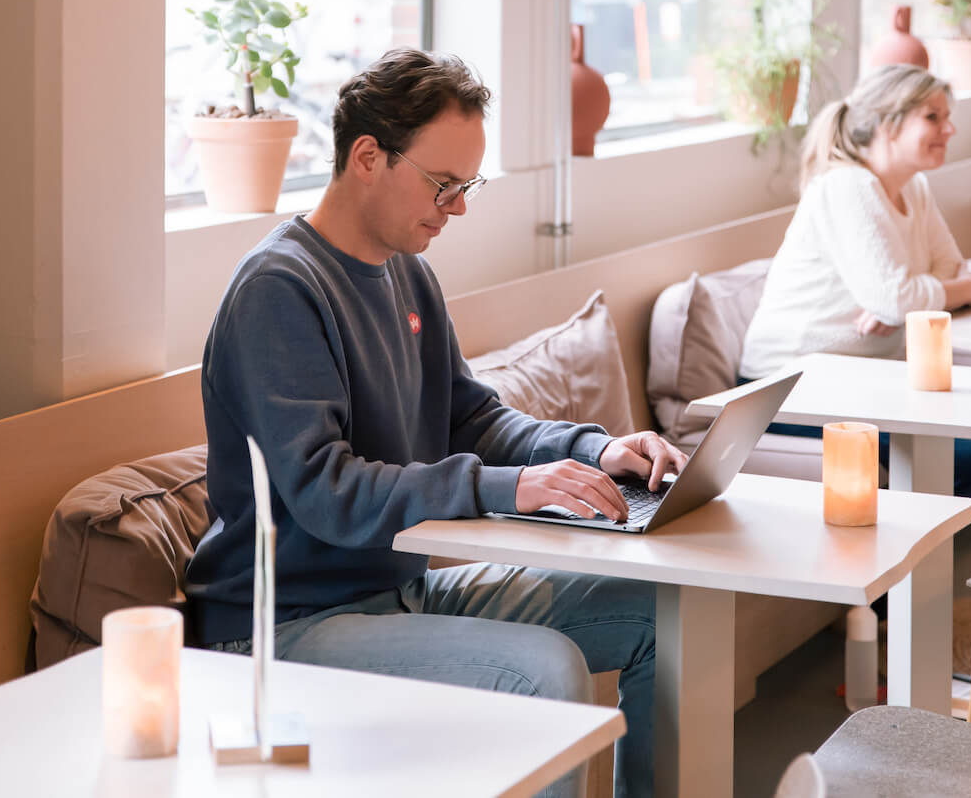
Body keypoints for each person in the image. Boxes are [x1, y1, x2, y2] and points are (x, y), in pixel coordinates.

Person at [185, 47, 687, 798]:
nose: (457, 209)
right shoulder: (279, 290)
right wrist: (511, 488)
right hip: (280, 627)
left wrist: (597, 449)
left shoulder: (406, 270)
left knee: (656, 612)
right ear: (367, 157)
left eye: (466, 186)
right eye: (443, 185)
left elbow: (470, 418)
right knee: (545, 671)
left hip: (396, 596)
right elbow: (327, 490)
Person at [739, 63, 971, 508]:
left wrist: (918, 297)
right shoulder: (847, 187)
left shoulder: (915, 188)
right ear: (888, 122)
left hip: (862, 377)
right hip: (787, 384)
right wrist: (905, 300)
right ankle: (898, 572)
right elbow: (897, 298)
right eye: (933, 117)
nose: (950, 128)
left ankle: (911, 569)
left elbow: (956, 273)